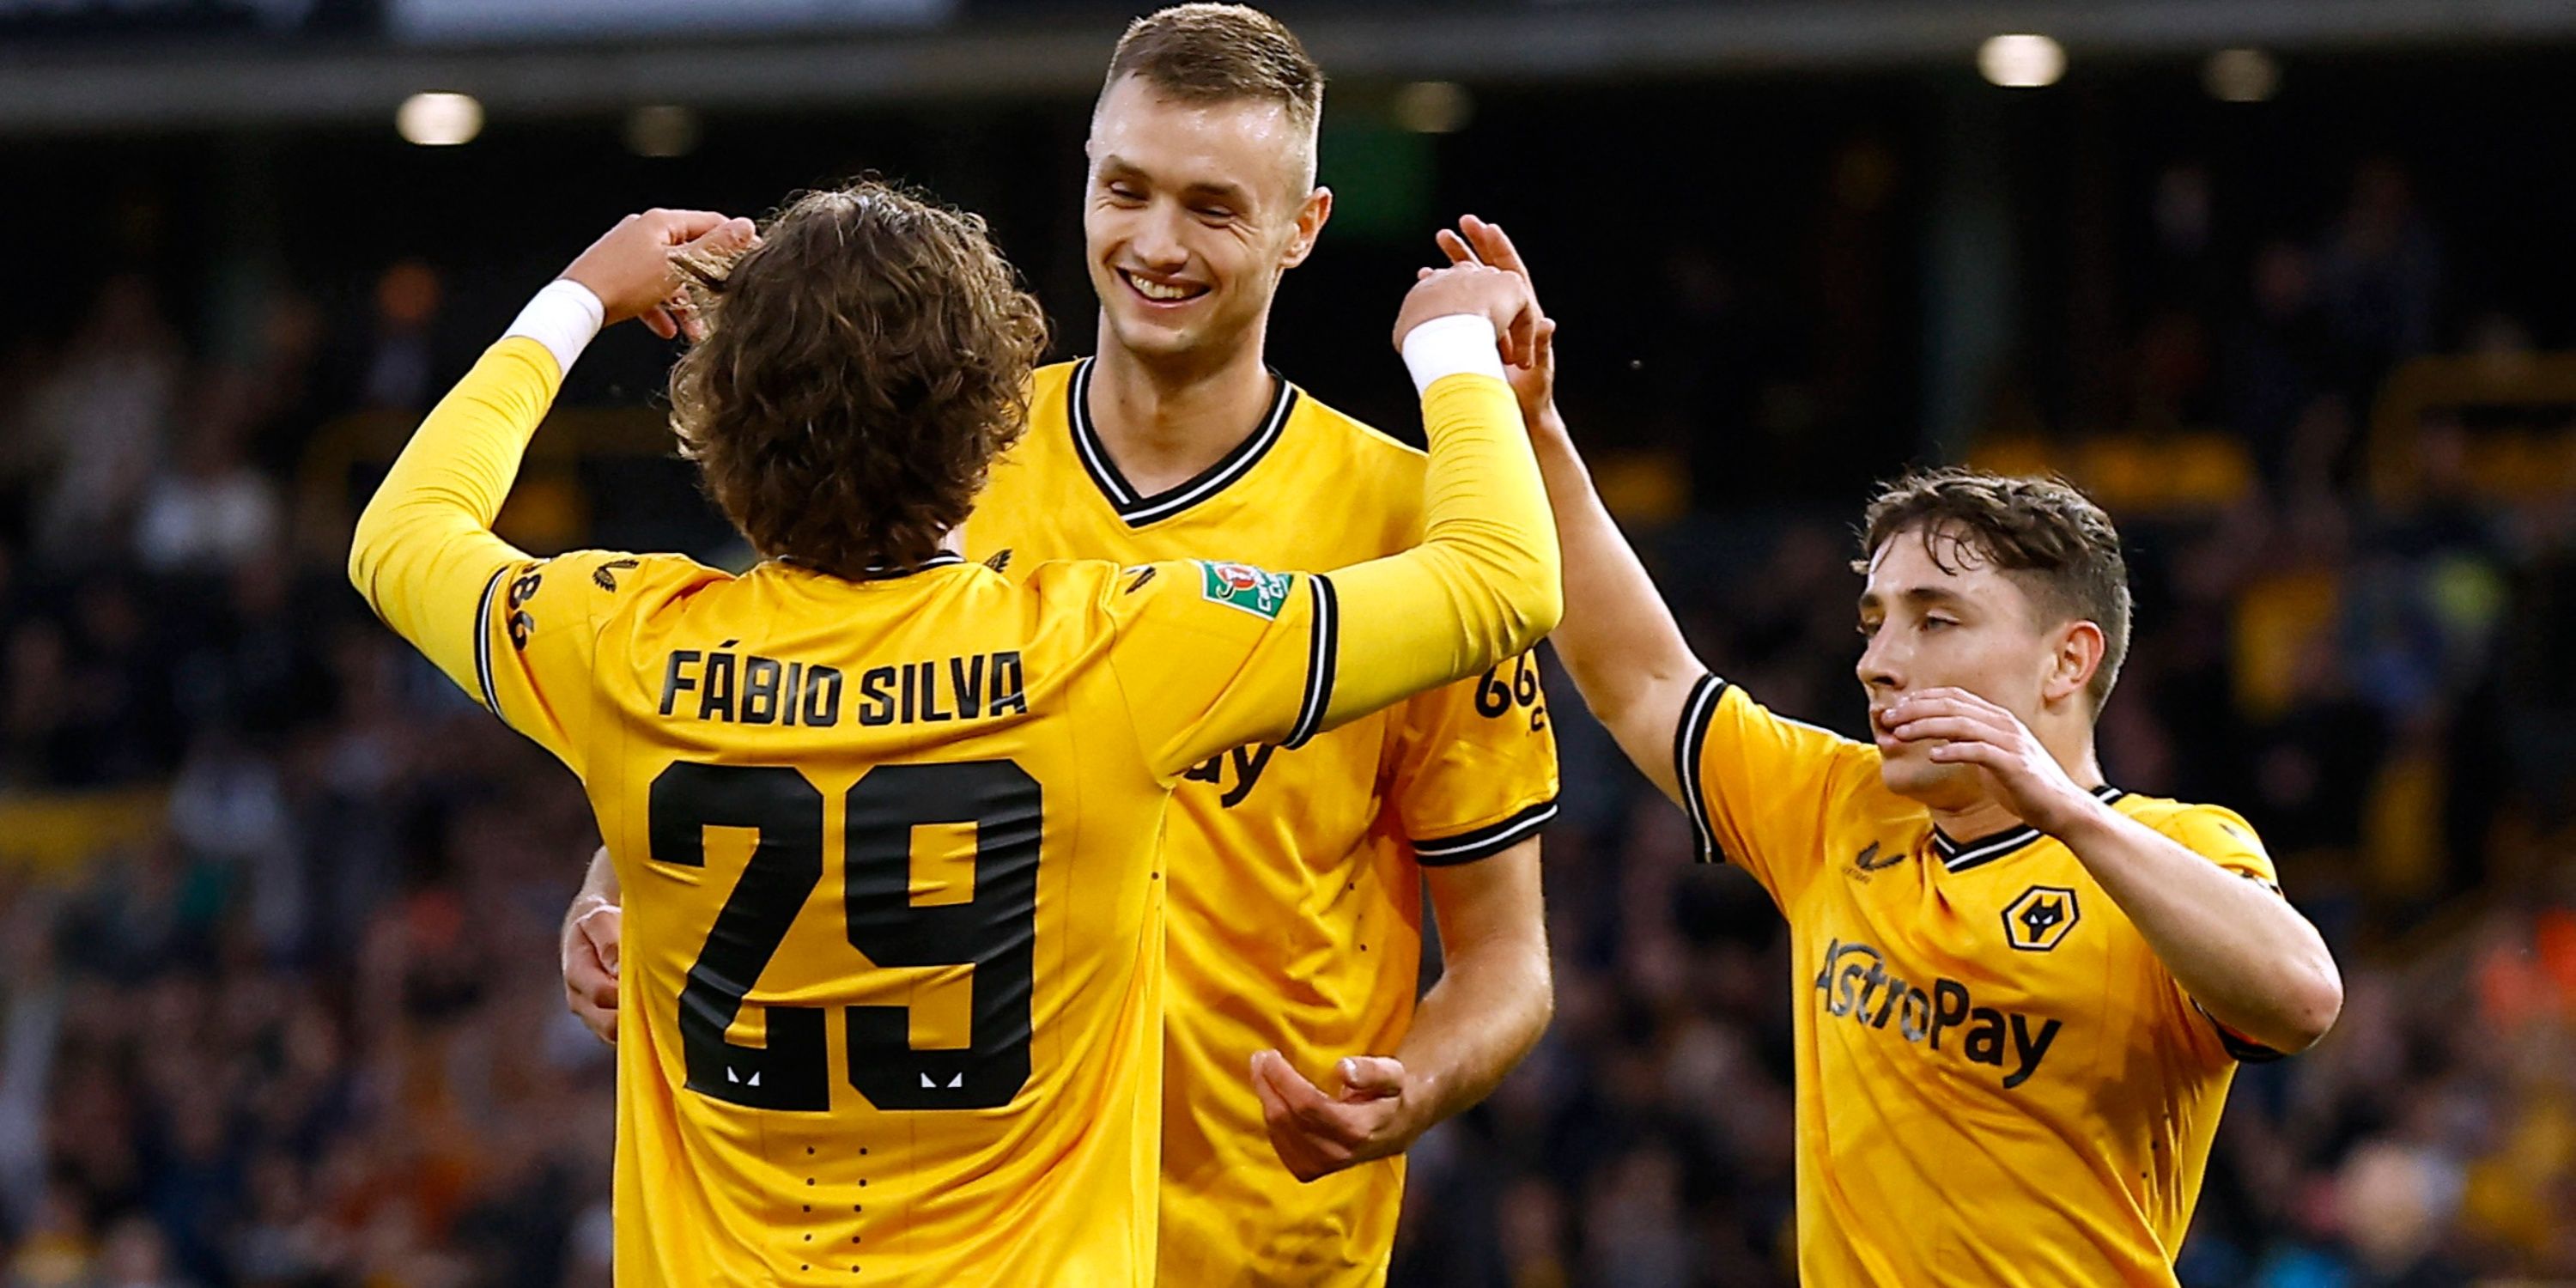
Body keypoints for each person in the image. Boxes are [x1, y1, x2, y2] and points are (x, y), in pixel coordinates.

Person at [349, 185, 1558, 1285]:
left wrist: (575, 302)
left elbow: (401, 537)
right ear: (994, 433)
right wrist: (1449, 344)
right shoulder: (1116, 647)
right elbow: (1504, 580)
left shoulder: (623, 643)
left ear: (715, 424)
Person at [1437, 216, 2345, 1285]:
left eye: (1936, 619)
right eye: (1874, 622)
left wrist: (2059, 808)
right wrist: (1537, 426)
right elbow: (1641, 677)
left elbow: (2303, 998)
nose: (1879, 661)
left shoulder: (2171, 847)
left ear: (2068, 662)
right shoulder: (1835, 806)